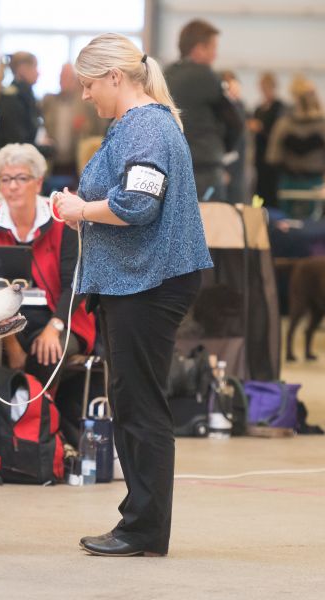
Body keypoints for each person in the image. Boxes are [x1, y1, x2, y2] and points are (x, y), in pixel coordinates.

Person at [54, 34, 212, 557]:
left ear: (116, 78)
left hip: (149, 282)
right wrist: (82, 204)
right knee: (133, 403)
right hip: (137, 280)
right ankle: (139, 522)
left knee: (140, 407)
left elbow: (138, 205)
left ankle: (143, 530)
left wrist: (80, 210)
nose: (85, 95)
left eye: (89, 84)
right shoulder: (139, 124)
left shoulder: (145, 126)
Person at [0, 143, 96, 442]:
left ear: (39, 182)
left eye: (21, 178)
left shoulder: (61, 220)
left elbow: (76, 281)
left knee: (46, 353)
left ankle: (37, 435)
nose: (13, 187)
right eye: (5, 179)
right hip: (6, 324)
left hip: (61, 317)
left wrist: (54, 328)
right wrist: (11, 343)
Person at [164, 19, 243, 202]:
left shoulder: (165, 75)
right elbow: (235, 122)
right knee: (211, 226)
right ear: (199, 49)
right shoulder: (208, 77)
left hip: (172, 167)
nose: (215, 55)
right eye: (213, 48)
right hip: (205, 170)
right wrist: (224, 151)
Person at [266, 75, 325, 191]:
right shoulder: (324, 124)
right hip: (313, 180)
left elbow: (273, 157)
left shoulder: (283, 124)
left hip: (291, 180)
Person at [42, 63, 110, 189]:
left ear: (75, 80)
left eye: (67, 77)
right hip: (52, 163)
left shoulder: (87, 103)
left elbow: (99, 131)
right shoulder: (49, 101)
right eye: (61, 77)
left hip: (76, 164)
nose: (63, 80)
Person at [249, 72, 285, 207]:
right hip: (260, 155)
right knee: (259, 190)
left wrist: (261, 128)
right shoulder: (259, 108)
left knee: (272, 189)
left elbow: (278, 132)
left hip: (273, 157)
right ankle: (260, 213)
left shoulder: (279, 107)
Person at [0, 52, 41, 151]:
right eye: (35, 67)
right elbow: (17, 143)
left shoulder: (26, 96)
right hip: (13, 162)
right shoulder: (12, 99)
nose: (38, 73)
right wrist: (44, 149)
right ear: (22, 69)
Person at [221, 70, 249, 204]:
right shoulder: (223, 110)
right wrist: (224, 169)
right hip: (227, 166)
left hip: (239, 165)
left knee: (238, 200)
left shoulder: (240, 107)